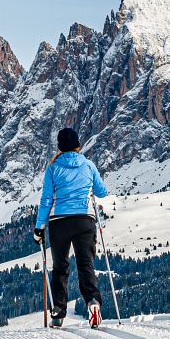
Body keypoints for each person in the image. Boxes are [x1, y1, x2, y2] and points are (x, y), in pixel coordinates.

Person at [33, 127, 108, 328]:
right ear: (77, 145)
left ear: (59, 146)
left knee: (60, 267)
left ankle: (58, 311)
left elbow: (46, 200)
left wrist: (39, 227)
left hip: (60, 222)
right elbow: (102, 192)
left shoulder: (53, 168)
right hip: (85, 220)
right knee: (86, 265)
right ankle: (92, 301)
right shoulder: (88, 165)